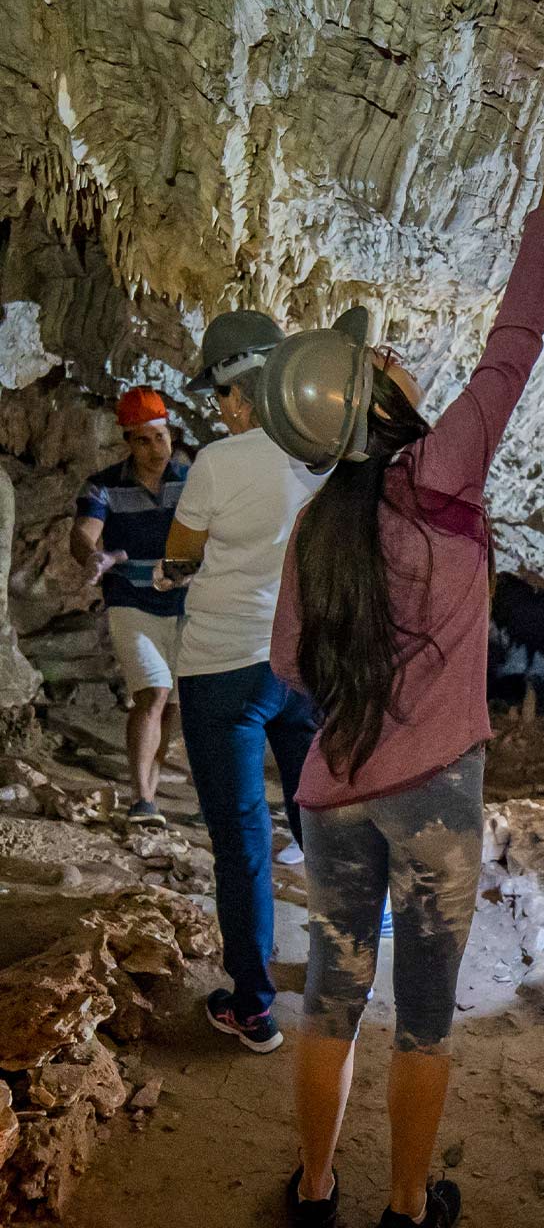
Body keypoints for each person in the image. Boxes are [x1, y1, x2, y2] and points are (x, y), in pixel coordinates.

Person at [266, 94, 544, 1228]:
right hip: (437, 800)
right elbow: (515, 345)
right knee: (426, 1017)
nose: (399, 357)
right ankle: (405, 1216)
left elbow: (286, 663)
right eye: (386, 360)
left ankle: (310, 1191)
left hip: (330, 796)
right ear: (381, 404)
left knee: (332, 1000)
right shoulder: (434, 474)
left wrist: (361, 710)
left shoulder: (319, 525)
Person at [163, 310, 327, 1054]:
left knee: (244, 843)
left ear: (235, 396)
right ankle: (339, 973)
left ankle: (254, 1008)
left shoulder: (217, 464)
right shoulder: (326, 455)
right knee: (320, 824)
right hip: (303, 666)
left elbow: (181, 554)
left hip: (224, 668)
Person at [72, 387, 187, 827]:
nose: (155, 448)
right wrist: (93, 556)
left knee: (174, 703)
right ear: (128, 442)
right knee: (153, 692)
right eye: (143, 440)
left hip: (182, 603)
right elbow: (84, 531)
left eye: (160, 437)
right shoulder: (104, 485)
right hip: (130, 602)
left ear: (170, 435)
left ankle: (150, 790)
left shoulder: (190, 481)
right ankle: (141, 799)